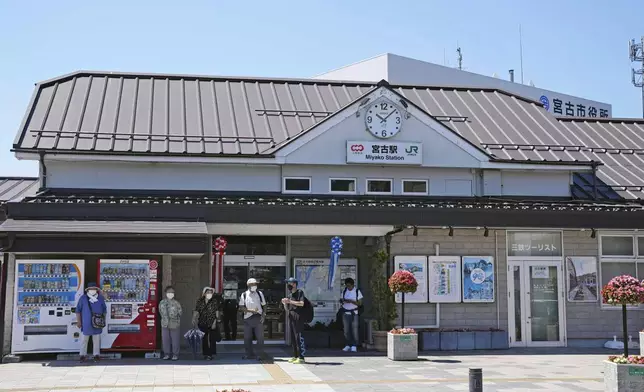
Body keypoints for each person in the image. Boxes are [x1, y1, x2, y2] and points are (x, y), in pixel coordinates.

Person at [75, 282, 107, 362]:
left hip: (97, 322)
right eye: (91, 289)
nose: (92, 290)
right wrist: (79, 321)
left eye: (94, 289)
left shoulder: (100, 298)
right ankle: (82, 355)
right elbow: (78, 311)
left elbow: (104, 310)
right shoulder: (83, 298)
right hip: (86, 323)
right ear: (88, 290)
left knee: (96, 340)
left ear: (96, 290)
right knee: (84, 340)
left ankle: (96, 355)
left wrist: (103, 320)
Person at [239, 278, 266, 360]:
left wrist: (264, 315)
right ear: (248, 285)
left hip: (258, 318)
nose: (255, 286)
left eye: (255, 284)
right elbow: (241, 307)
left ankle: (260, 355)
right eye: (253, 284)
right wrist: (250, 310)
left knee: (260, 338)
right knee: (247, 338)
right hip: (248, 318)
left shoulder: (259, 293)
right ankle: (249, 354)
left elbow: (264, 305)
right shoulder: (244, 294)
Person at [193, 287, 222, 360]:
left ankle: (211, 354)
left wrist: (216, 321)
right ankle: (206, 353)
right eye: (208, 292)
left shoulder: (214, 301)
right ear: (204, 293)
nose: (209, 294)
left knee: (212, 338)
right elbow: (196, 310)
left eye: (211, 292)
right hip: (202, 322)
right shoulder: (200, 301)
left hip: (212, 322)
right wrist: (193, 318)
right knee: (204, 339)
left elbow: (217, 311)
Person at [282, 277, 306, 364]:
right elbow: (287, 309)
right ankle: (295, 356)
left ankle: (301, 357)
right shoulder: (289, 295)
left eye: (290, 283)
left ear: (294, 284)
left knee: (298, 337)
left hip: (298, 318)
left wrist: (290, 301)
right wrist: (285, 303)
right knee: (293, 338)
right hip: (291, 318)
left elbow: (302, 303)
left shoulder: (300, 292)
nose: (288, 285)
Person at [339, 278, 363, 352]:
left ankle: (354, 345)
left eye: (349, 286)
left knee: (354, 330)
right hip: (346, 312)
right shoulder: (344, 291)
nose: (348, 287)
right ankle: (348, 344)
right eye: (347, 286)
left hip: (354, 313)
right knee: (346, 330)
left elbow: (360, 303)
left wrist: (351, 301)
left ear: (352, 285)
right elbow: (341, 300)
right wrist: (342, 301)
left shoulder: (357, 291)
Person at [159, 286, 182, 360]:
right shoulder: (162, 302)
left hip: (174, 324)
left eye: (172, 292)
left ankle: (175, 354)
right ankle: (166, 354)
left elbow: (180, 313)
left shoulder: (176, 303)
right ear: (166, 293)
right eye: (169, 292)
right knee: (165, 339)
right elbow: (160, 312)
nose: (170, 294)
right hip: (165, 324)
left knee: (175, 340)